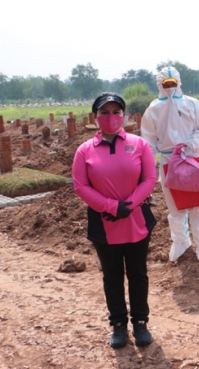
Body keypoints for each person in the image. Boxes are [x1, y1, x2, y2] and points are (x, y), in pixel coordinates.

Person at [72, 93, 157, 348]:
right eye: (105, 112)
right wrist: (111, 206)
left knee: (138, 274)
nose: (111, 117)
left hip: (136, 219)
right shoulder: (85, 150)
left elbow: (149, 179)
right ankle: (118, 324)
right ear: (95, 117)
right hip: (103, 222)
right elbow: (80, 185)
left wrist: (128, 206)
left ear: (124, 116)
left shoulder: (138, 144)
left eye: (116, 112)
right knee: (112, 276)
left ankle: (140, 322)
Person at [141, 67, 199, 262]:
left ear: (179, 83)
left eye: (174, 84)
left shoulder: (192, 104)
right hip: (168, 161)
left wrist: (190, 146)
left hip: (194, 158)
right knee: (175, 204)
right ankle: (180, 241)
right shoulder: (153, 109)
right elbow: (148, 142)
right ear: (160, 85)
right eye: (167, 85)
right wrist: (148, 170)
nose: (171, 88)